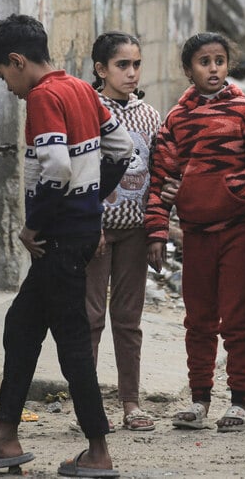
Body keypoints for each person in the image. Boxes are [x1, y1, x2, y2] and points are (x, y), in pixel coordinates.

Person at [0, 14, 132, 477]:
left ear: (16, 61)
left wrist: (34, 226)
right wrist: (91, 200)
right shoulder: (80, 89)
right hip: (78, 230)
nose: (8, 87)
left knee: (71, 343)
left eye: (3, 75)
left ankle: (97, 450)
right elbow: (122, 148)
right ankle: (5, 437)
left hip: (59, 238)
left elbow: (55, 169)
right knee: (22, 326)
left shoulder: (44, 96)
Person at [145, 32, 245, 433]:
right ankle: (199, 399)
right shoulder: (177, 119)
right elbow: (161, 176)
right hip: (195, 233)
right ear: (189, 70)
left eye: (220, 60)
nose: (214, 68)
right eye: (205, 62)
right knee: (198, 318)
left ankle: (241, 402)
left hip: (239, 230)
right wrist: (156, 231)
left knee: (239, 318)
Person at [84, 32, 162, 432]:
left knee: (128, 319)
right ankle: (89, 403)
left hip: (135, 230)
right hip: (95, 231)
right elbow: (79, 170)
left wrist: (158, 231)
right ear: (101, 69)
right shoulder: (87, 108)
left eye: (136, 65)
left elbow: (158, 173)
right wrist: (89, 223)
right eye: (122, 65)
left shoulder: (148, 116)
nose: (131, 73)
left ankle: (130, 402)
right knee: (91, 318)